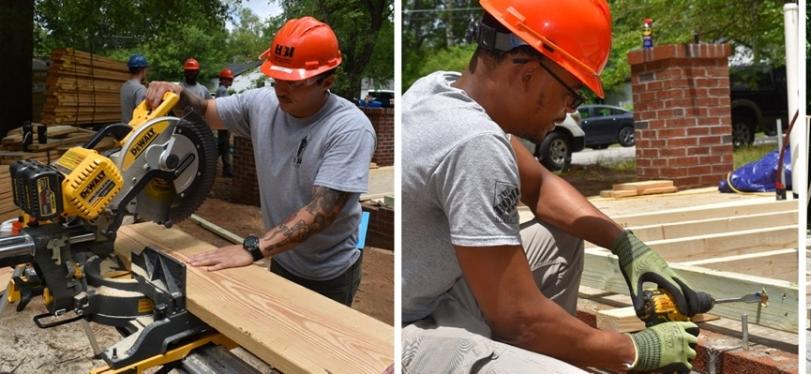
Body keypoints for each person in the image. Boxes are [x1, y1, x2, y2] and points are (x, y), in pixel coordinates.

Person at [401, 0, 700, 372]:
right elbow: (520, 320)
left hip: (436, 295)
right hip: (407, 331)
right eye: (572, 92)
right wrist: (634, 350)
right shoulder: (472, 140)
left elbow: (540, 186)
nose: (570, 110)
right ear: (527, 74)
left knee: (562, 236)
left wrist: (626, 246)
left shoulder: (440, 89)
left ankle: (536, 354)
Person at [142, 16, 376, 306]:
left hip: (329, 271)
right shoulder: (263, 103)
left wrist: (253, 249)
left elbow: (322, 210)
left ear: (327, 81)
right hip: (282, 256)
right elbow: (205, 111)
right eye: (277, 77)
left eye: (294, 82)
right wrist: (178, 96)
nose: (281, 88)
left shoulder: (349, 127)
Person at [215, 67, 235, 177]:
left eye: (230, 79)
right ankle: (224, 168)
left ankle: (226, 168)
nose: (229, 81)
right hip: (223, 123)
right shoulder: (222, 90)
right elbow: (225, 107)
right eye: (227, 79)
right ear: (222, 80)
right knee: (223, 145)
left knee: (224, 145)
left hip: (222, 122)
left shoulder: (222, 89)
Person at [120, 54, 150, 124]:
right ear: (143, 70)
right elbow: (142, 115)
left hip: (125, 127)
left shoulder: (124, 86)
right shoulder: (140, 89)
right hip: (135, 130)